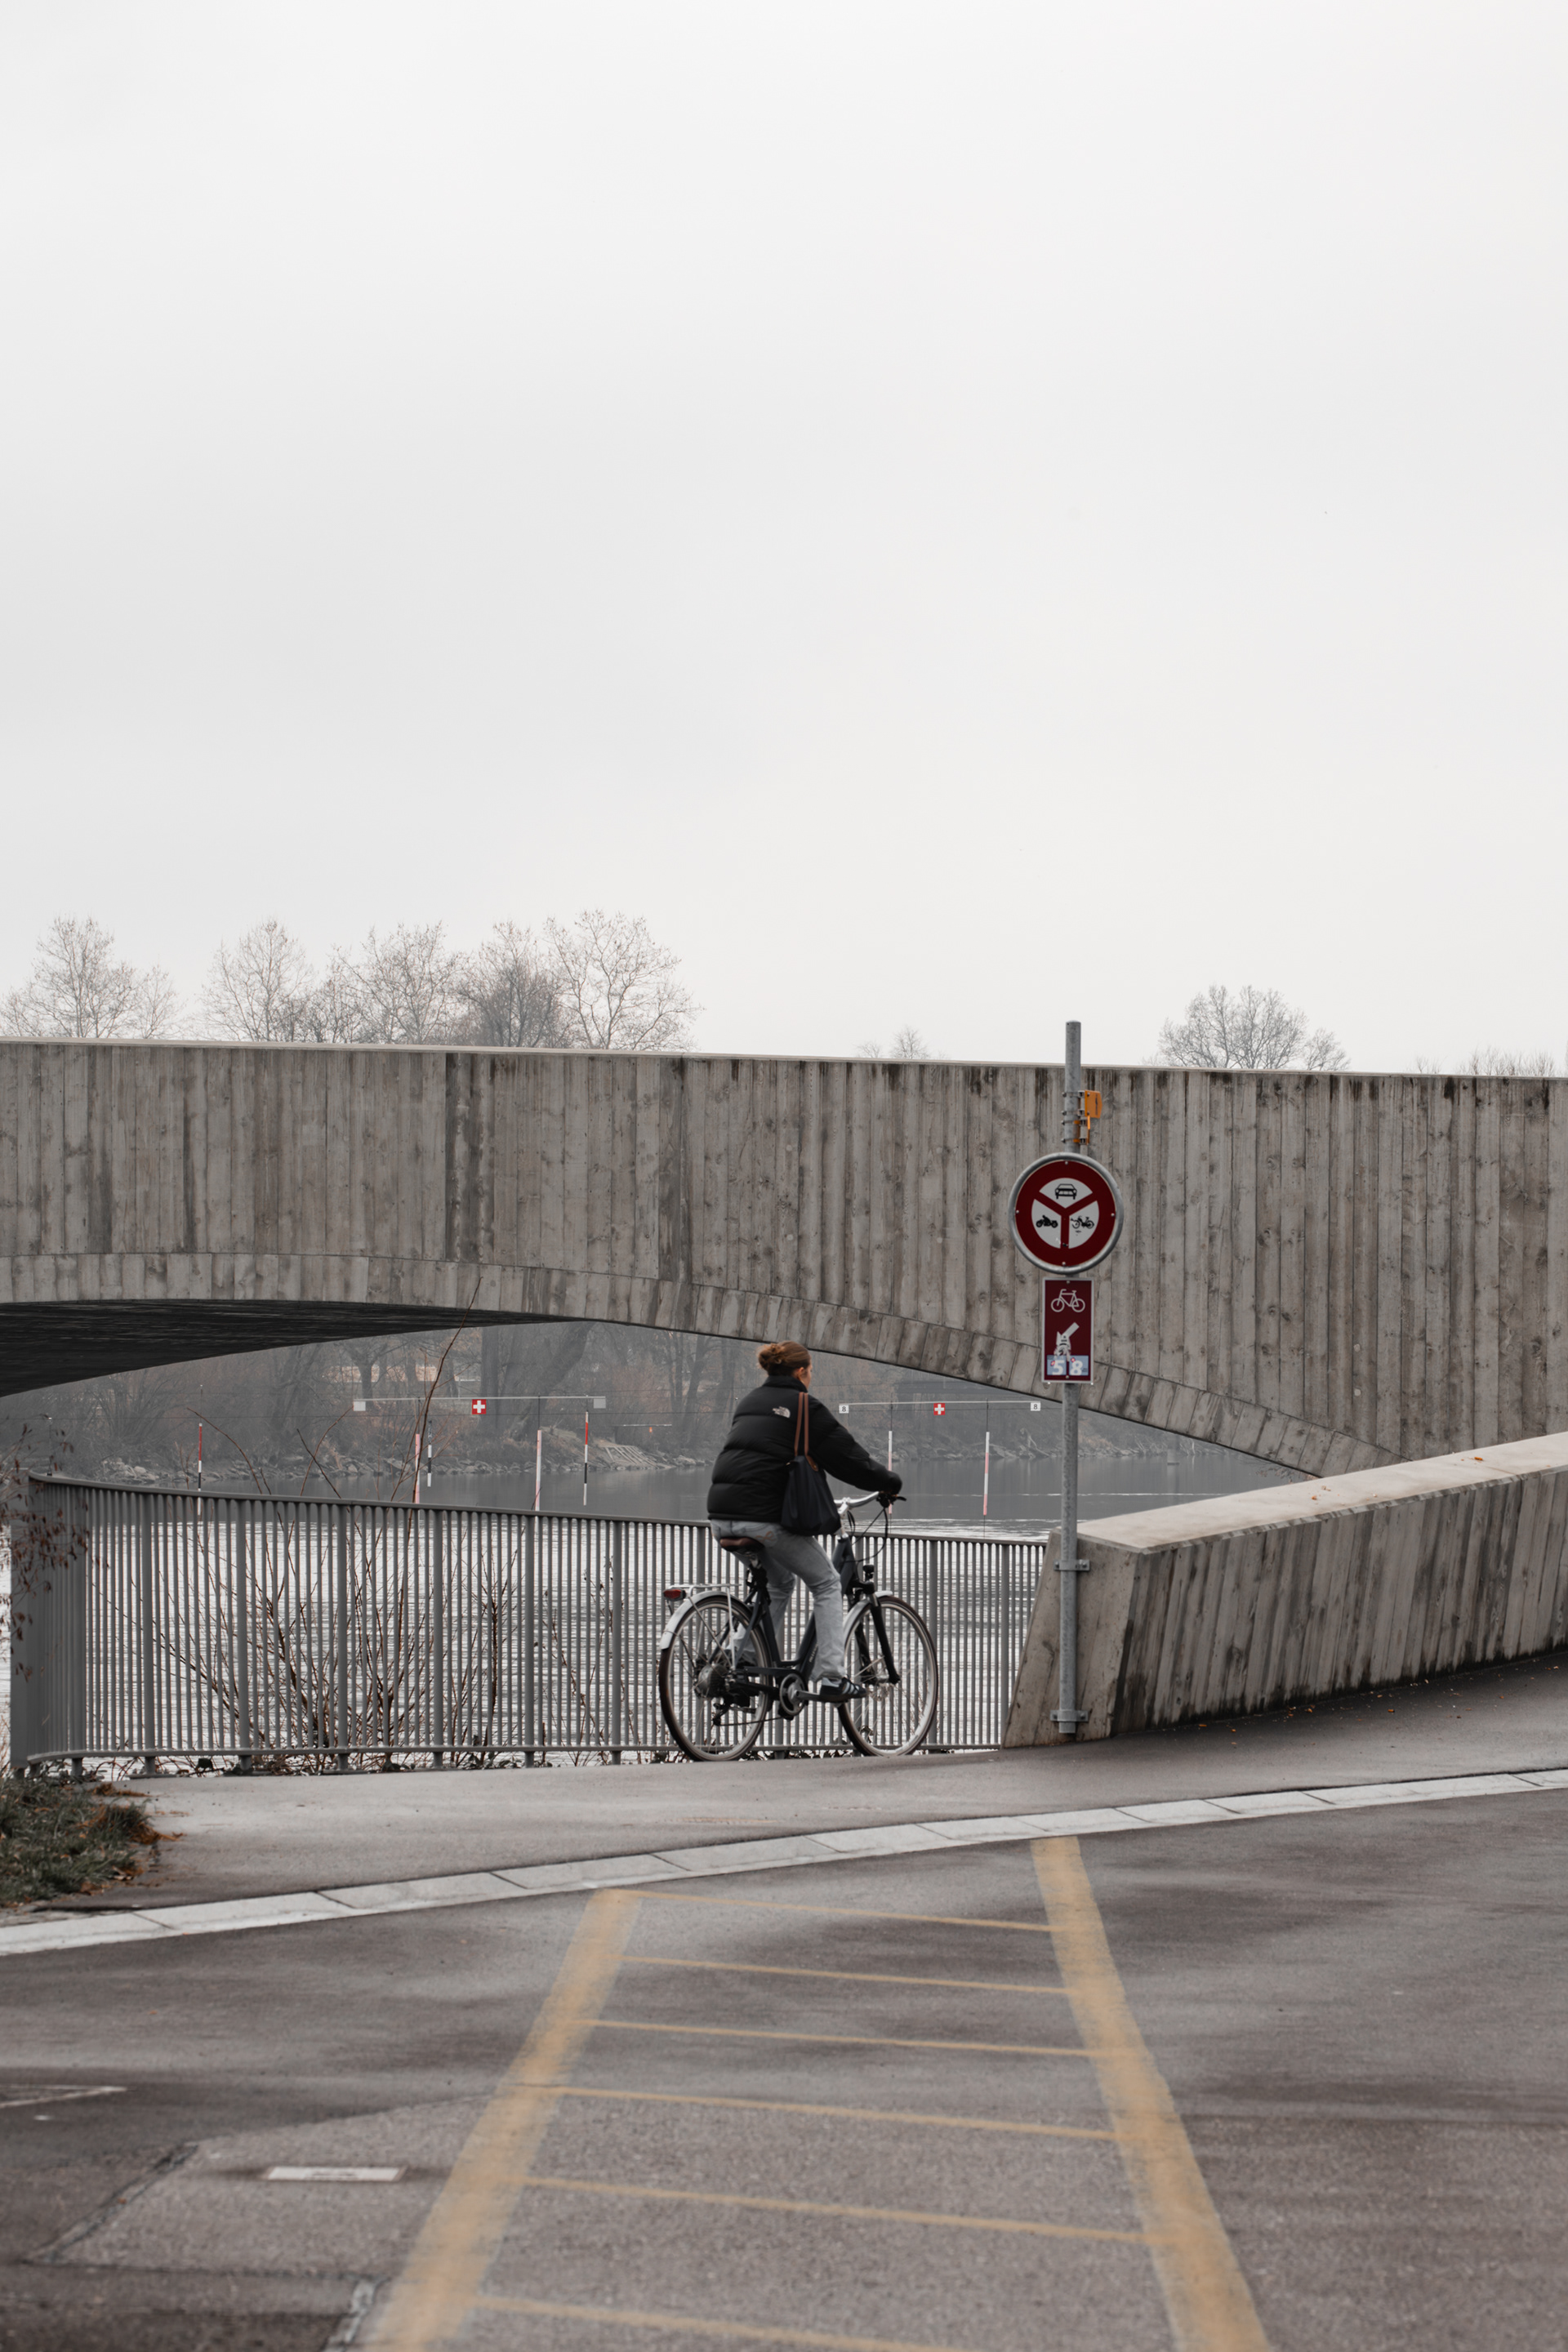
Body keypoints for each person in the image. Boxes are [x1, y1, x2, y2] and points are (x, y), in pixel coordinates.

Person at [706, 1341, 902, 1699]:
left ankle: (741, 1663)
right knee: (826, 1582)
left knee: (780, 1584)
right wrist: (888, 1482)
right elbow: (848, 1458)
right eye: (810, 1372)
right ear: (801, 1372)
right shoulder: (803, 1405)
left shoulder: (749, 1401)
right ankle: (832, 1677)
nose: (811, 1378)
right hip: (763, 1519)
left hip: (721, 1517)